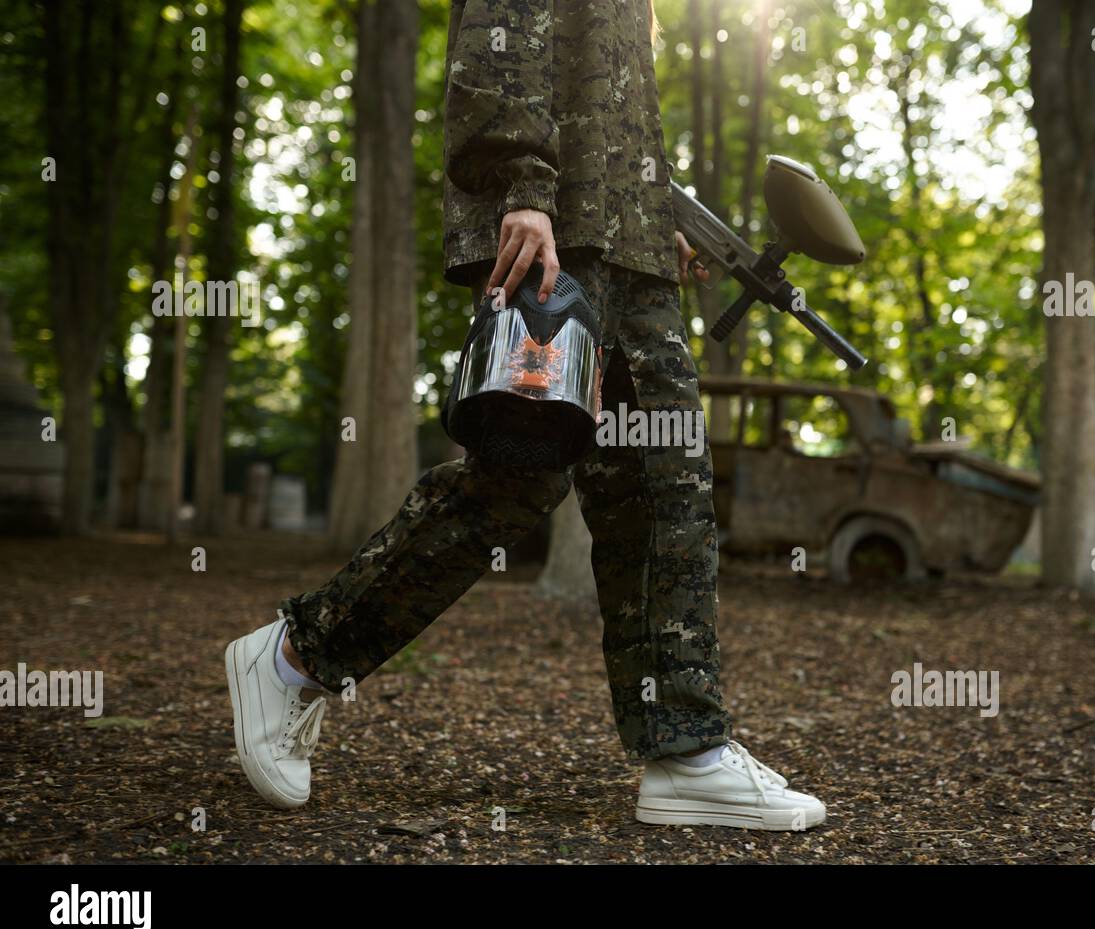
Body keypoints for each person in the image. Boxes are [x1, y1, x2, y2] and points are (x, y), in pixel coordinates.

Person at [224, 0, 825, 832]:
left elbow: (605, 99)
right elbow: (500, 33)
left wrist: (655, 220)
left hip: (625, 244)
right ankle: (296, 656)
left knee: (666, 485)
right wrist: (524, 187)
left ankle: (685, 749)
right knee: (515, 480)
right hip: (555, 237)